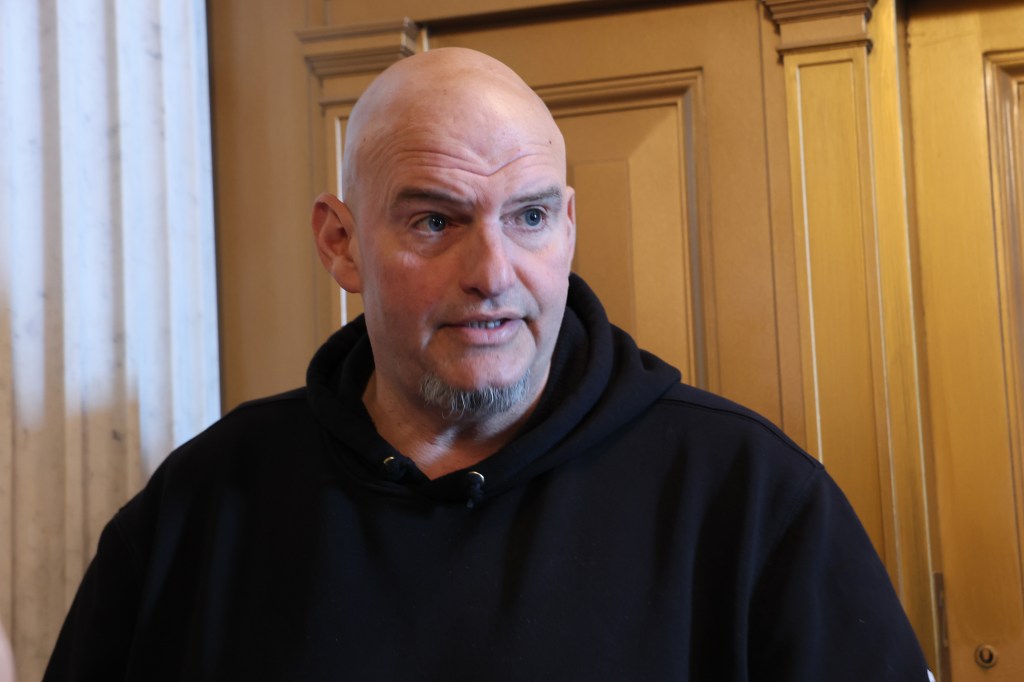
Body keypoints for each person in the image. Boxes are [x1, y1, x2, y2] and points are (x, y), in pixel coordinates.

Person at [44, 47, 929, 680]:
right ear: (340, 242)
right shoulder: (203, 502)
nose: (495, 273)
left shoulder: (752, 498)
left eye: (531, 217)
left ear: (570, 223)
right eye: (436, 221)